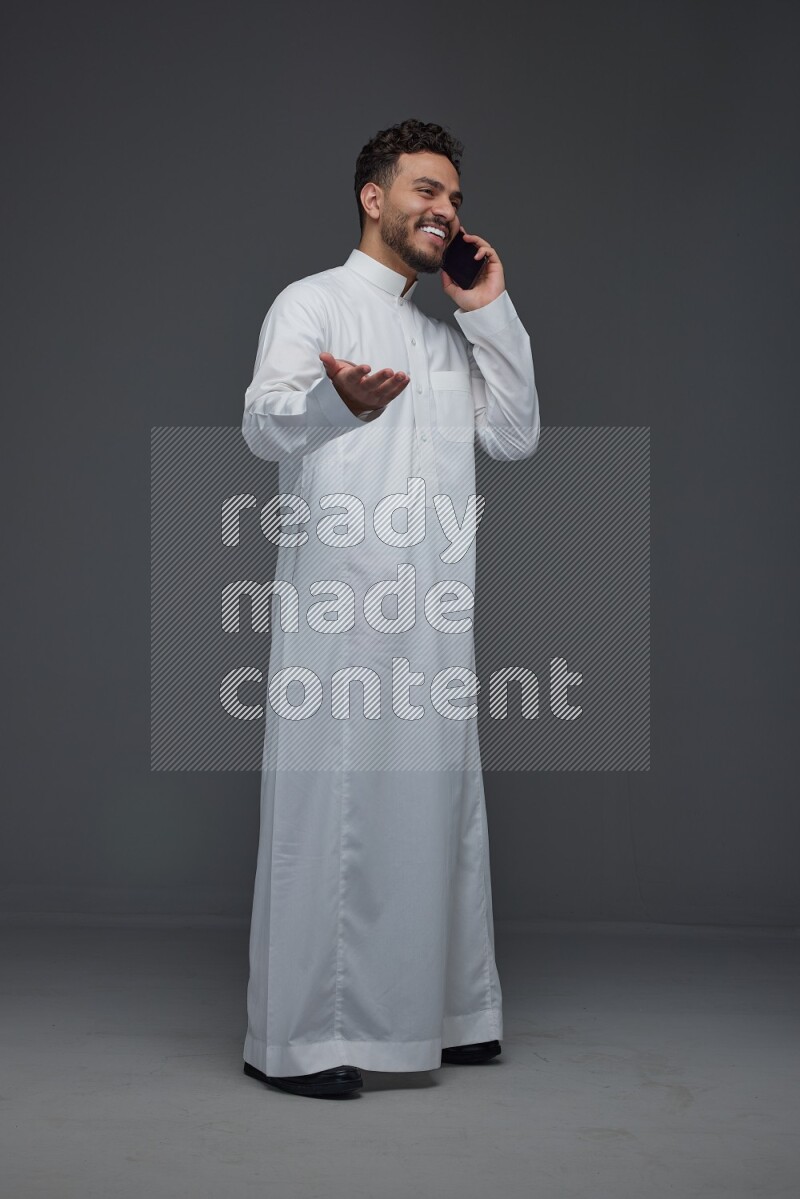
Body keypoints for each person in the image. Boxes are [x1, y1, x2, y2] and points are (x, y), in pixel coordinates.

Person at [240, 118, 541, 1099]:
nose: (443, 209)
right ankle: (296, 1036)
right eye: (424, 190)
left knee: (439, 809)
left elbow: (513, 436)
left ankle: (453, 1011)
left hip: (431, 613)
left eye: (452, 195)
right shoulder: (312, 302)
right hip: (339, 611)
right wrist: (342, 407)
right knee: (330, 817)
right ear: (374, 198)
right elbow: (260, 421)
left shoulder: (441, 335)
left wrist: (489, 310)